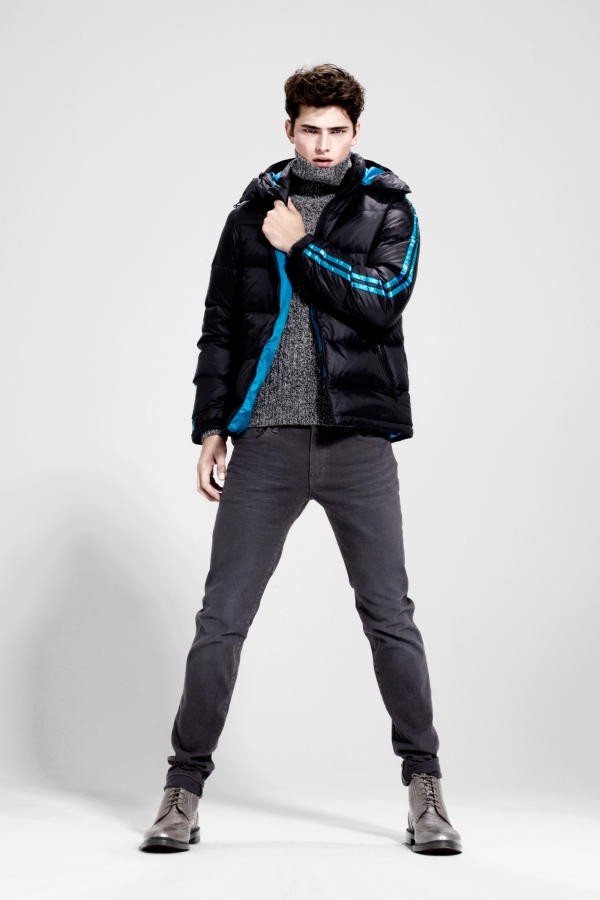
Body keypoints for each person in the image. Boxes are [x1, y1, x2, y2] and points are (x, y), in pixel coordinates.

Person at [139, 63, 462, 855]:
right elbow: (221, 326)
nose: (323, 144)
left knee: (389, 616)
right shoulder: (249, 214)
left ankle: (426, 791)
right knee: (222, 618)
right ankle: (182, 792)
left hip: (357, 443)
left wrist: (303, 246)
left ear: (356, 132)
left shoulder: (390, 208)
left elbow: (381, 302)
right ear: (288, 128)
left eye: (337, 131)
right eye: (310, 129)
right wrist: (211, 429)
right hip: (267, 443)